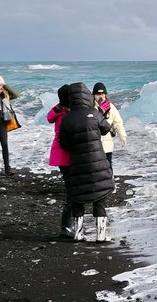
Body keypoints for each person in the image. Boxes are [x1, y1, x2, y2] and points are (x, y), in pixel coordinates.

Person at [58, 82, 114, 242]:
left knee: (78, 199)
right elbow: (106, 128)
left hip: (77, 163)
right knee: (99, 198)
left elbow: (64, 144)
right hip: (98, 162)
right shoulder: (95, 114)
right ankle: (101, 235)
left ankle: (78, 233)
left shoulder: (66, 119)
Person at [47, 84, 74, 238]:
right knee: (71, 191)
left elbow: (49, 117)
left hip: (60, 156)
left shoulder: (58, 111)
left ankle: (68, 225)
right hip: (66, 155)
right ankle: (65, 228)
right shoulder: (66, 113)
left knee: (71, 189)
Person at [92, 82, 126, 169]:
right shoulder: (90, 108)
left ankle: (110, 182)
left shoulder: (110, 107)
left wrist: (122, 136)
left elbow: (118, 122)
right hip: (94, 145)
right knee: (95, 168)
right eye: (98, 94)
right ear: (94, 95)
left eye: (102, 94)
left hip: (107, 145)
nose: (100, 96)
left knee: (108, 167)